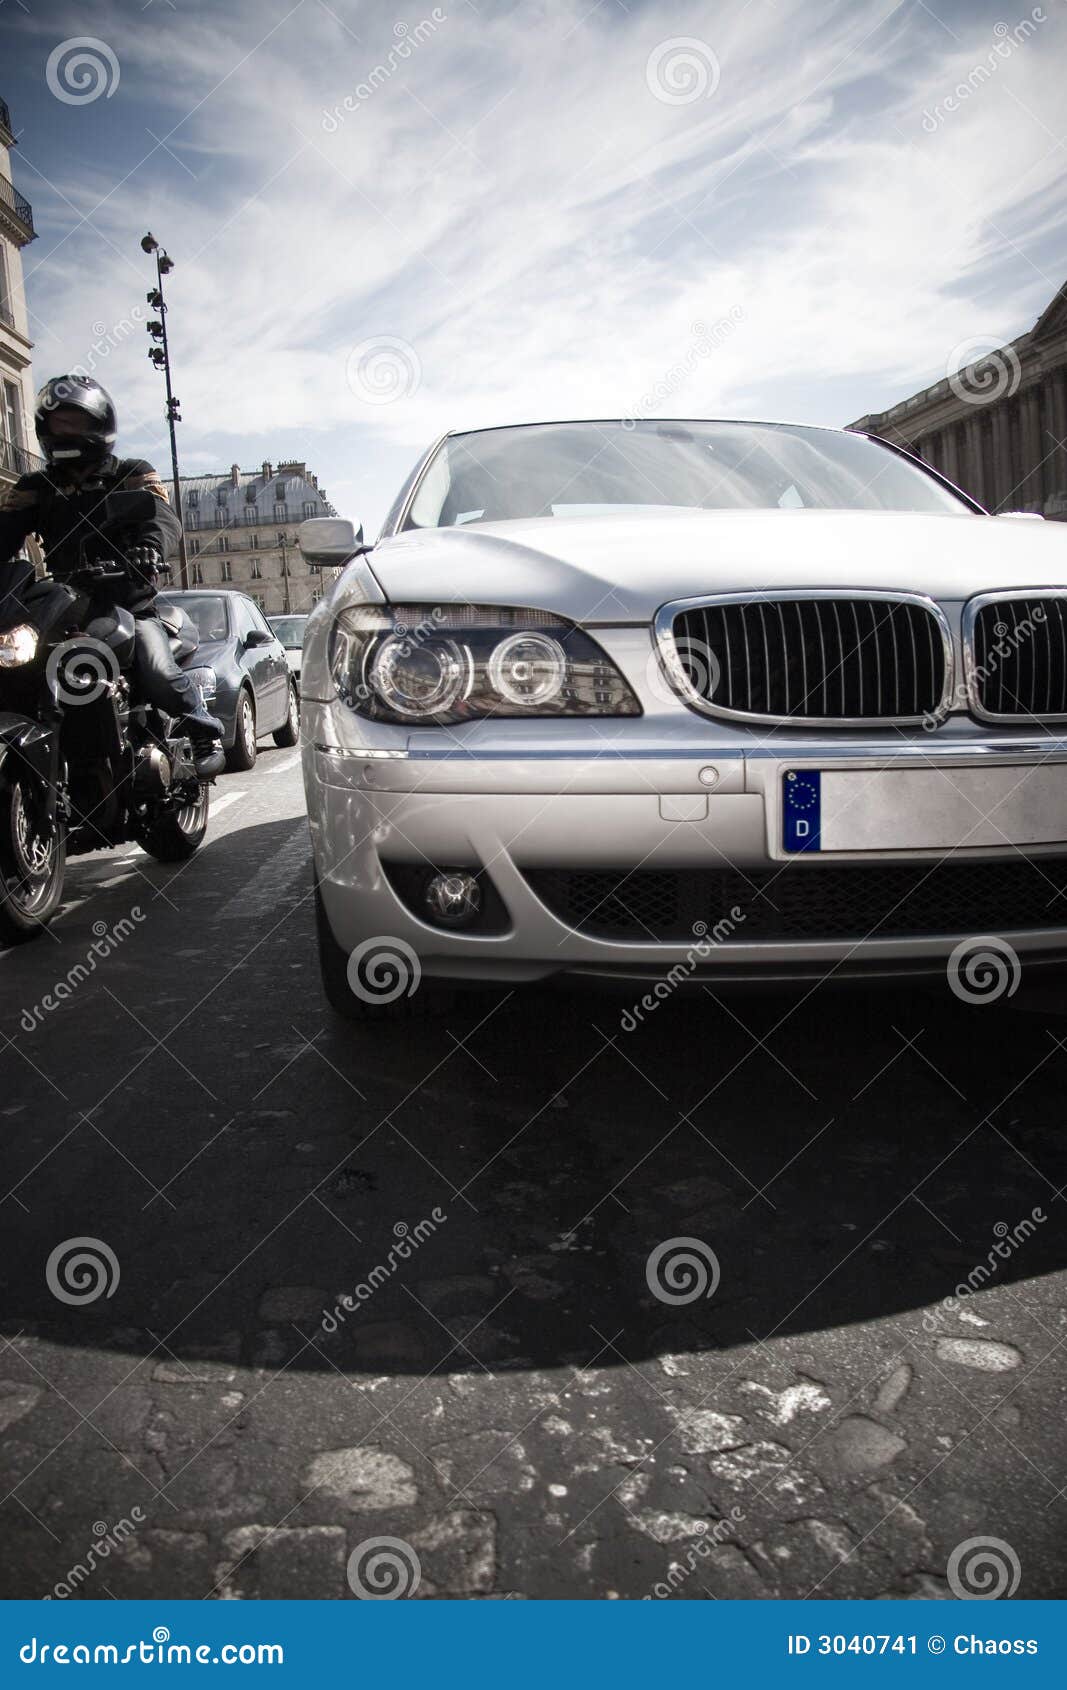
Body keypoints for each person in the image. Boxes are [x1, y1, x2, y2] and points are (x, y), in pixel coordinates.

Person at [0, 374, 224, 776]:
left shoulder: (131, 473)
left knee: (157, 671)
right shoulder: (37, 486)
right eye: (58, 424)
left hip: (129, 603)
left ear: (99, 425)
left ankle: (205, 730)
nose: (65, 431)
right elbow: (4, 532)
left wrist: (149, 548)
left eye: (75, 422)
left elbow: (162, 519)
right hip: (63, 607)